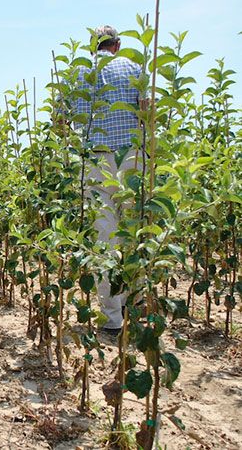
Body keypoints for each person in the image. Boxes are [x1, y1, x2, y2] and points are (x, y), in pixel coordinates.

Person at [73, 25, 143, 334]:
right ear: (116, 45)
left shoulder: (79, 73)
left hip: (96, 160)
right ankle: (138, 307)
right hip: (131, 158)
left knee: (105, 240)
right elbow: (148, 109)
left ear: (93, 47)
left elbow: (60, 121)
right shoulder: (133, 66)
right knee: (136, 233)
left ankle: (112, 320)